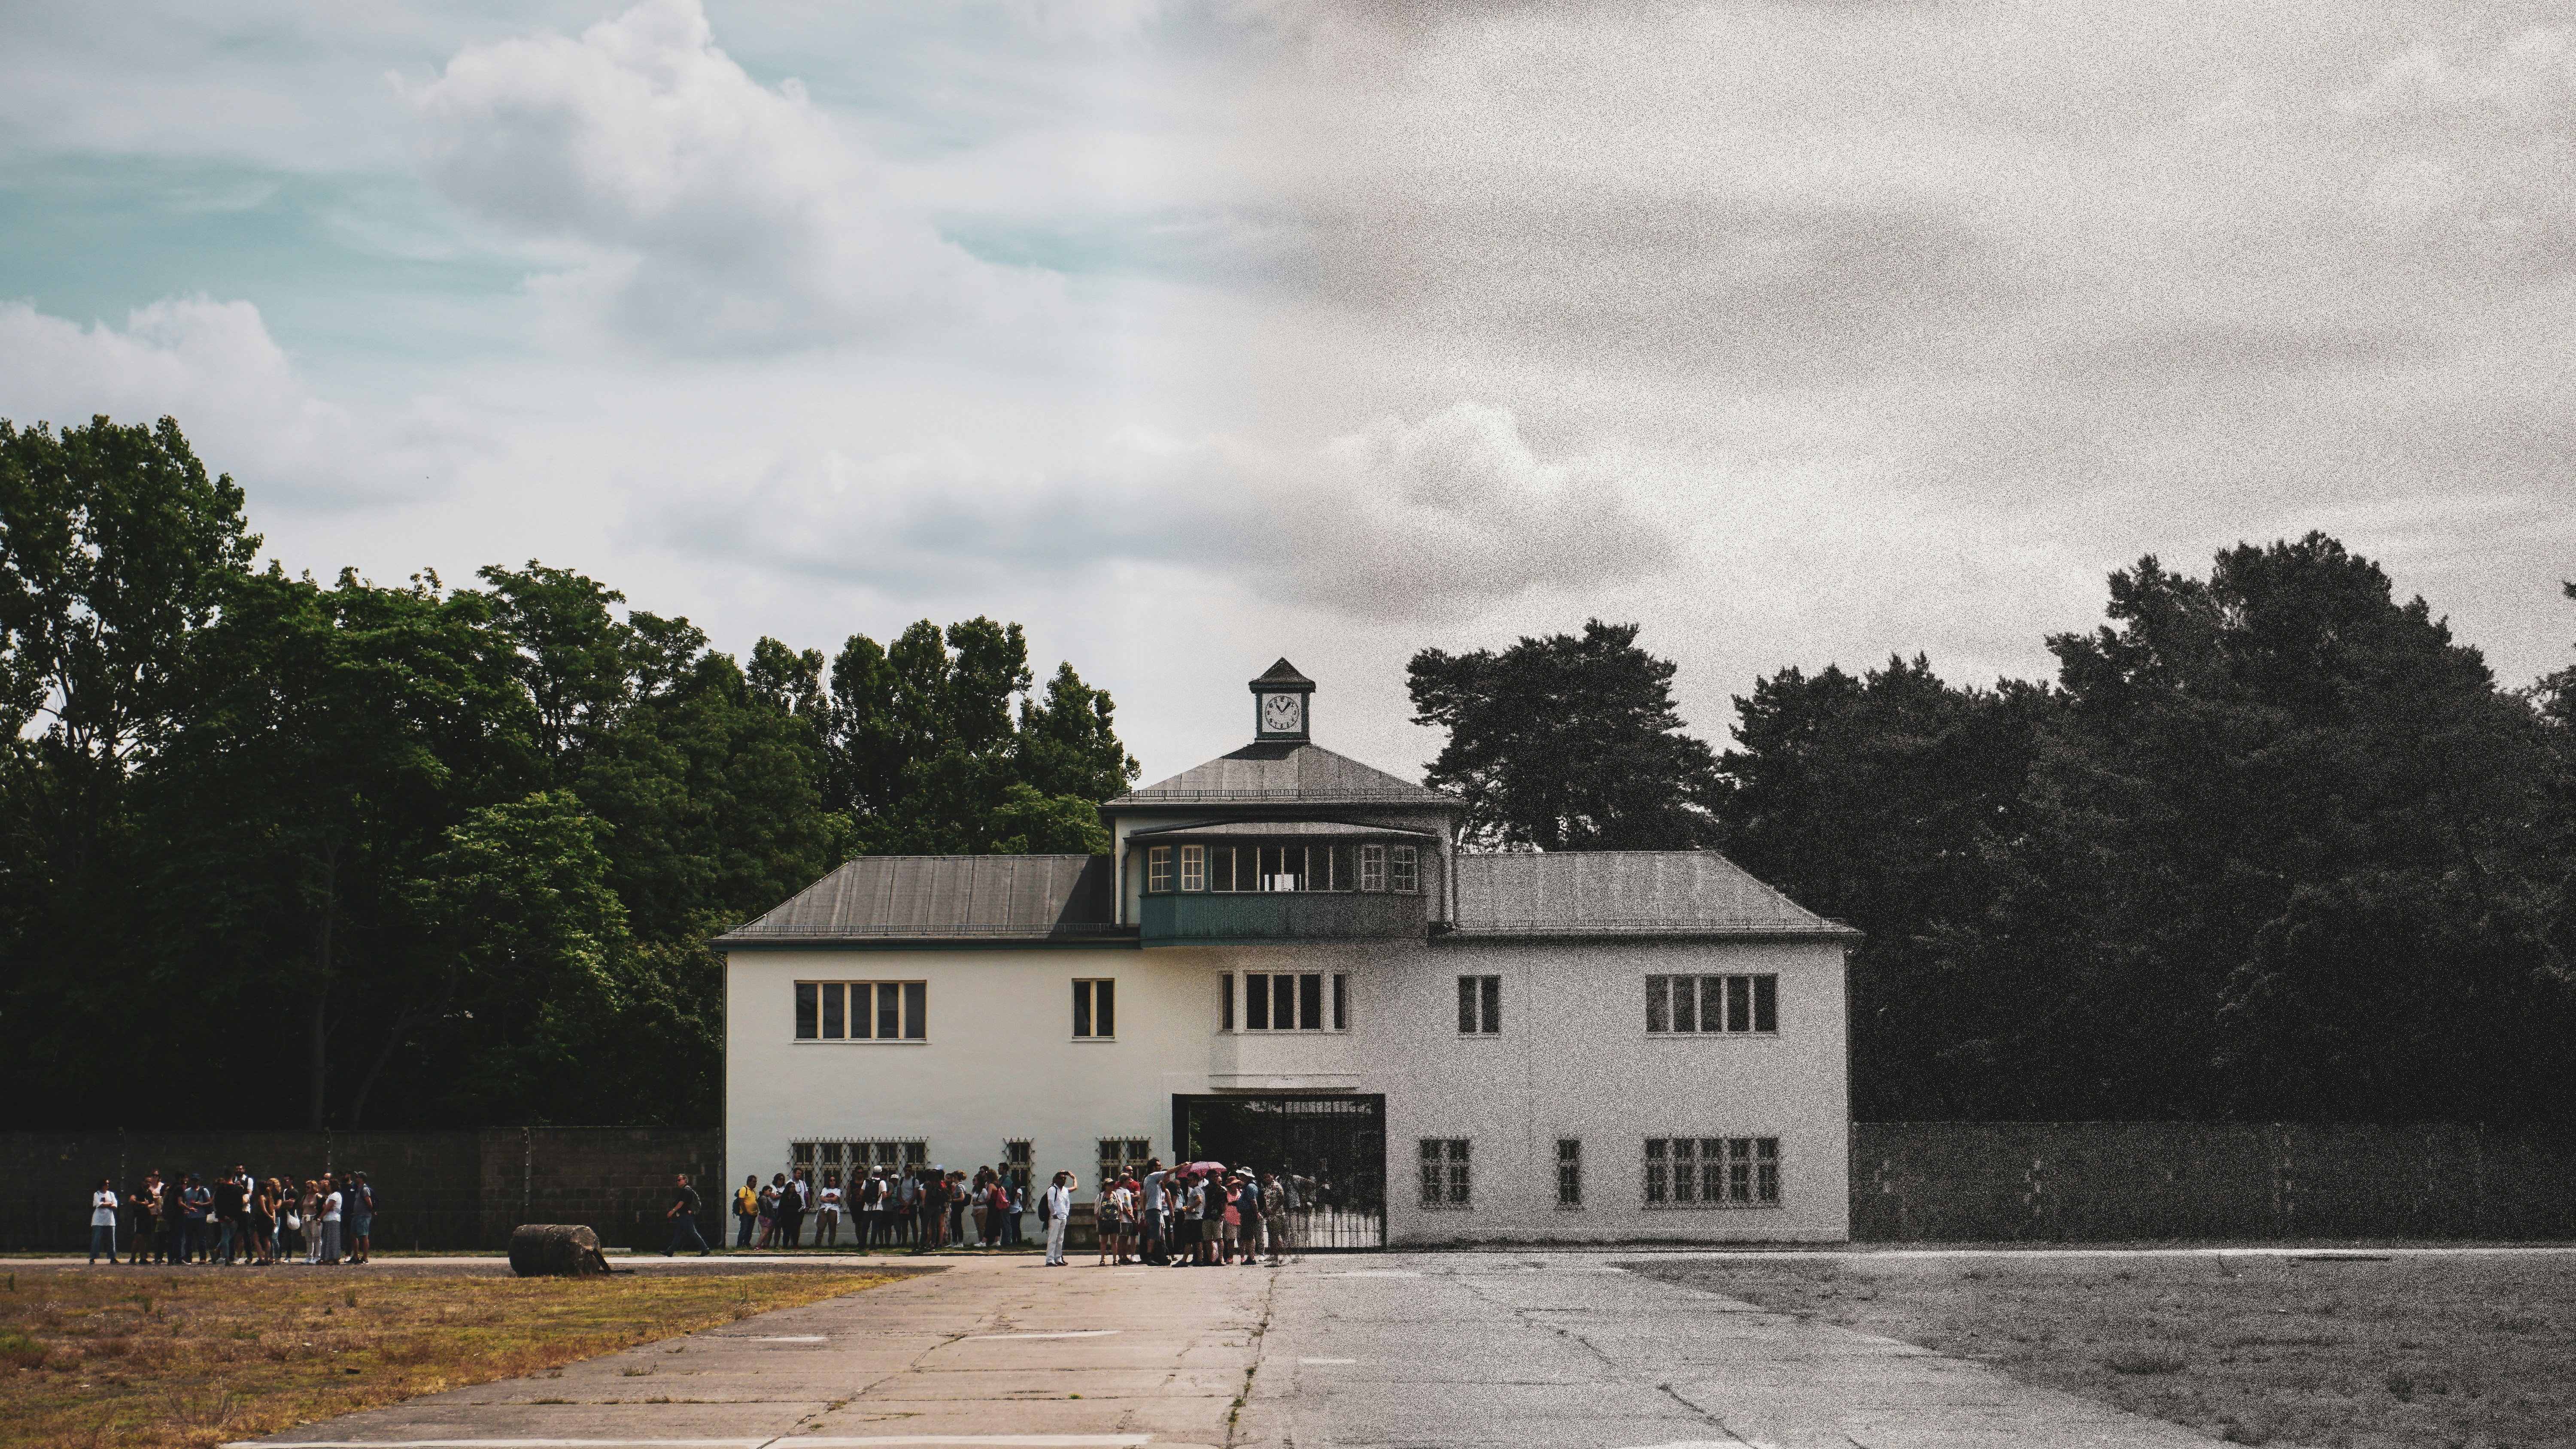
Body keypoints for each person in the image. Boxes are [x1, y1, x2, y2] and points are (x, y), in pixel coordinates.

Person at [664, 1171, 711, 1256]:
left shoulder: (686, 1190)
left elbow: (682, 1203)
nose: (678, 1182)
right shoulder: (685, 1190)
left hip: (687, 1216)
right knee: (678, 1233)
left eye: (679, 1180)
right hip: (684, 1215)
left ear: (685, 1180)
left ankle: (705, 1249)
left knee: (693, 1232)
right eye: (677, 1181)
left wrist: (673, 1211)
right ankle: (670, 1251)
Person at [1042, 1171, 1073, 1266]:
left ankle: (1058, 1258)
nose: (1063, 1180)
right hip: (1055, 1217)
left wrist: (1066, 1213)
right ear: (1056, 1180)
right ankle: (1050, 1259)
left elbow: (1067, 1203)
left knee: (1060, 1239)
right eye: (1061, 1178)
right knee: (1053, 1239)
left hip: (1063, 1217)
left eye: (1064, 1178)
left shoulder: (1065, 1191)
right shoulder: (1052, 1189)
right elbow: (1050, 1202)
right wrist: (1054, 1213)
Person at [1096, 1175, 1128, 1266]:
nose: (1111, 1186)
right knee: (1104, 1241)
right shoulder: (1100, 1196)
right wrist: (1099, 1219)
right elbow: (1097, 1209)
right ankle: (1102, 1259)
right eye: (1109, 1185)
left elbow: (1120, 1208)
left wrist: (1120, 1217)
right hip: (1104, 1221)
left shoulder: (1116, 1195)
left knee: (1114, 1241)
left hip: (1114, 1221)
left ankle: (1115, 1259)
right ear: (1105, 1186)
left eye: (1113, 1185)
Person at [89, 1177, 121, 1264]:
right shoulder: (97, 1194)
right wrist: (109, 1204)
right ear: (102, 1185)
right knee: (96, 1239)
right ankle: (93, 1257)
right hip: (98, 1220)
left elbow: (115, 1205)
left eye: (108, 1184)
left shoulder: (111, 1194)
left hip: (110, 1220)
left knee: (111, 1240)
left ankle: (113, 1257)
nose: (108, 1185)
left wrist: (107, 1205)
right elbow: (98, 1204)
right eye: (106, 1184)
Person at [346, 1171, 374, 1264]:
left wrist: (371, 1212)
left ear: (361, 1179)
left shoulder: (365, 1189)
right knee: (353, 1236)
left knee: (364, 1236)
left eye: (357, 1177)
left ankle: (365, 1258)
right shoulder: (358, 1189)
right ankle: (355, 1256)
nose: (355, 1178)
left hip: (364, 1217)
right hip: (357, 1216)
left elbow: (369, 1203)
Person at [317, 1174, 344, 1265]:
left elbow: (327, 1208)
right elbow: (325, 1206)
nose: (327, 1187)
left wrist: (320, 1217)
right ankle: (330, 1257)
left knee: (332, 1239)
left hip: (332, 1219)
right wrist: (327, 1207)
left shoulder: (335, 1195)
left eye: (329, 1185)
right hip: (329, 1219)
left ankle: (331, 1258)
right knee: (329, 1239)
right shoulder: (331, 1196)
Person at [817, 1171, 842, 1247]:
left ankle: (831, 1244)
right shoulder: (825, 1189)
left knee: (832, 1227)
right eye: (831, 1180)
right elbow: (822, 1198)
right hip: (824, 1208)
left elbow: (836, 1199)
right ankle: (818, 1244)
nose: (833, 1182)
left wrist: (827, 1199)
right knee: (821, 1227)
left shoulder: (838, 1190)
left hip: (833, 1209)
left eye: (834, 1180)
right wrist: (830, 1199)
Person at [734, 1175, 760, 1249]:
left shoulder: (753, 1191)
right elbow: (741, 1201)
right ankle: (739, 1245)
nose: (755, 1183)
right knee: (744, 1229)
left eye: (756, 1182)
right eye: (754, 1182)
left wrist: (756, 1210)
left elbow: (754, 1201)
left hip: (752, 1214)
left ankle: (746, 1243)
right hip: (746, 1214)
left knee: (750, 1230)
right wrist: (745, 1212)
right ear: (749, 1182)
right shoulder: (744, 1189)